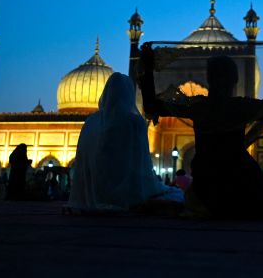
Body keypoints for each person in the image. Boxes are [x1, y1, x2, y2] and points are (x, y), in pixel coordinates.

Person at [140, 42, 263, 219]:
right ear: (235, 79)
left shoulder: (198, 106)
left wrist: (147, 68)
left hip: (206, 180)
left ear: (208, 79)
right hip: (240, 176)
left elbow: (150, 105)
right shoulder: (240, 106)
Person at [67, 72, 182, 213]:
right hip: (127, 193)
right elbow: (141, 166)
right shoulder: (135, 122)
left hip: (94, 192)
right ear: (129, 94)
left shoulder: (91, 121)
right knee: (178, 195)